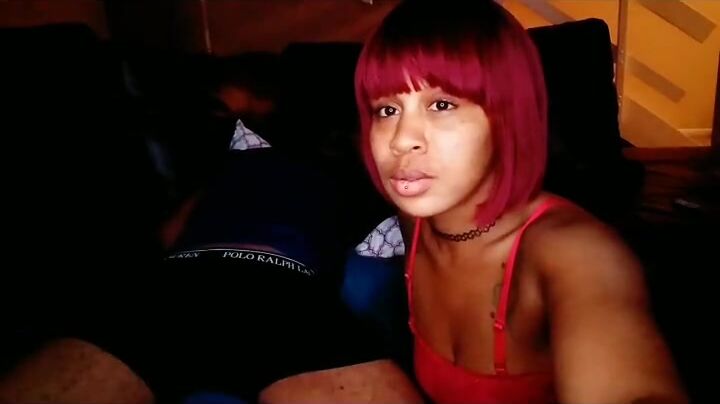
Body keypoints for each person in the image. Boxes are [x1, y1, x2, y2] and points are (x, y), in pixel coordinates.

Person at [353, 1, 688, 403]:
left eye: (442, 105)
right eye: (387, 110)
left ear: (506, 115)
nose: (401, 139)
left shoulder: (576, 255)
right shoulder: (415, 221)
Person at [0, 139, 422, 403]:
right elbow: (384, 246)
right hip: (278, 290)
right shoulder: (353, 174)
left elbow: (168, 234)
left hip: (177, 283)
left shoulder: (231, 167)